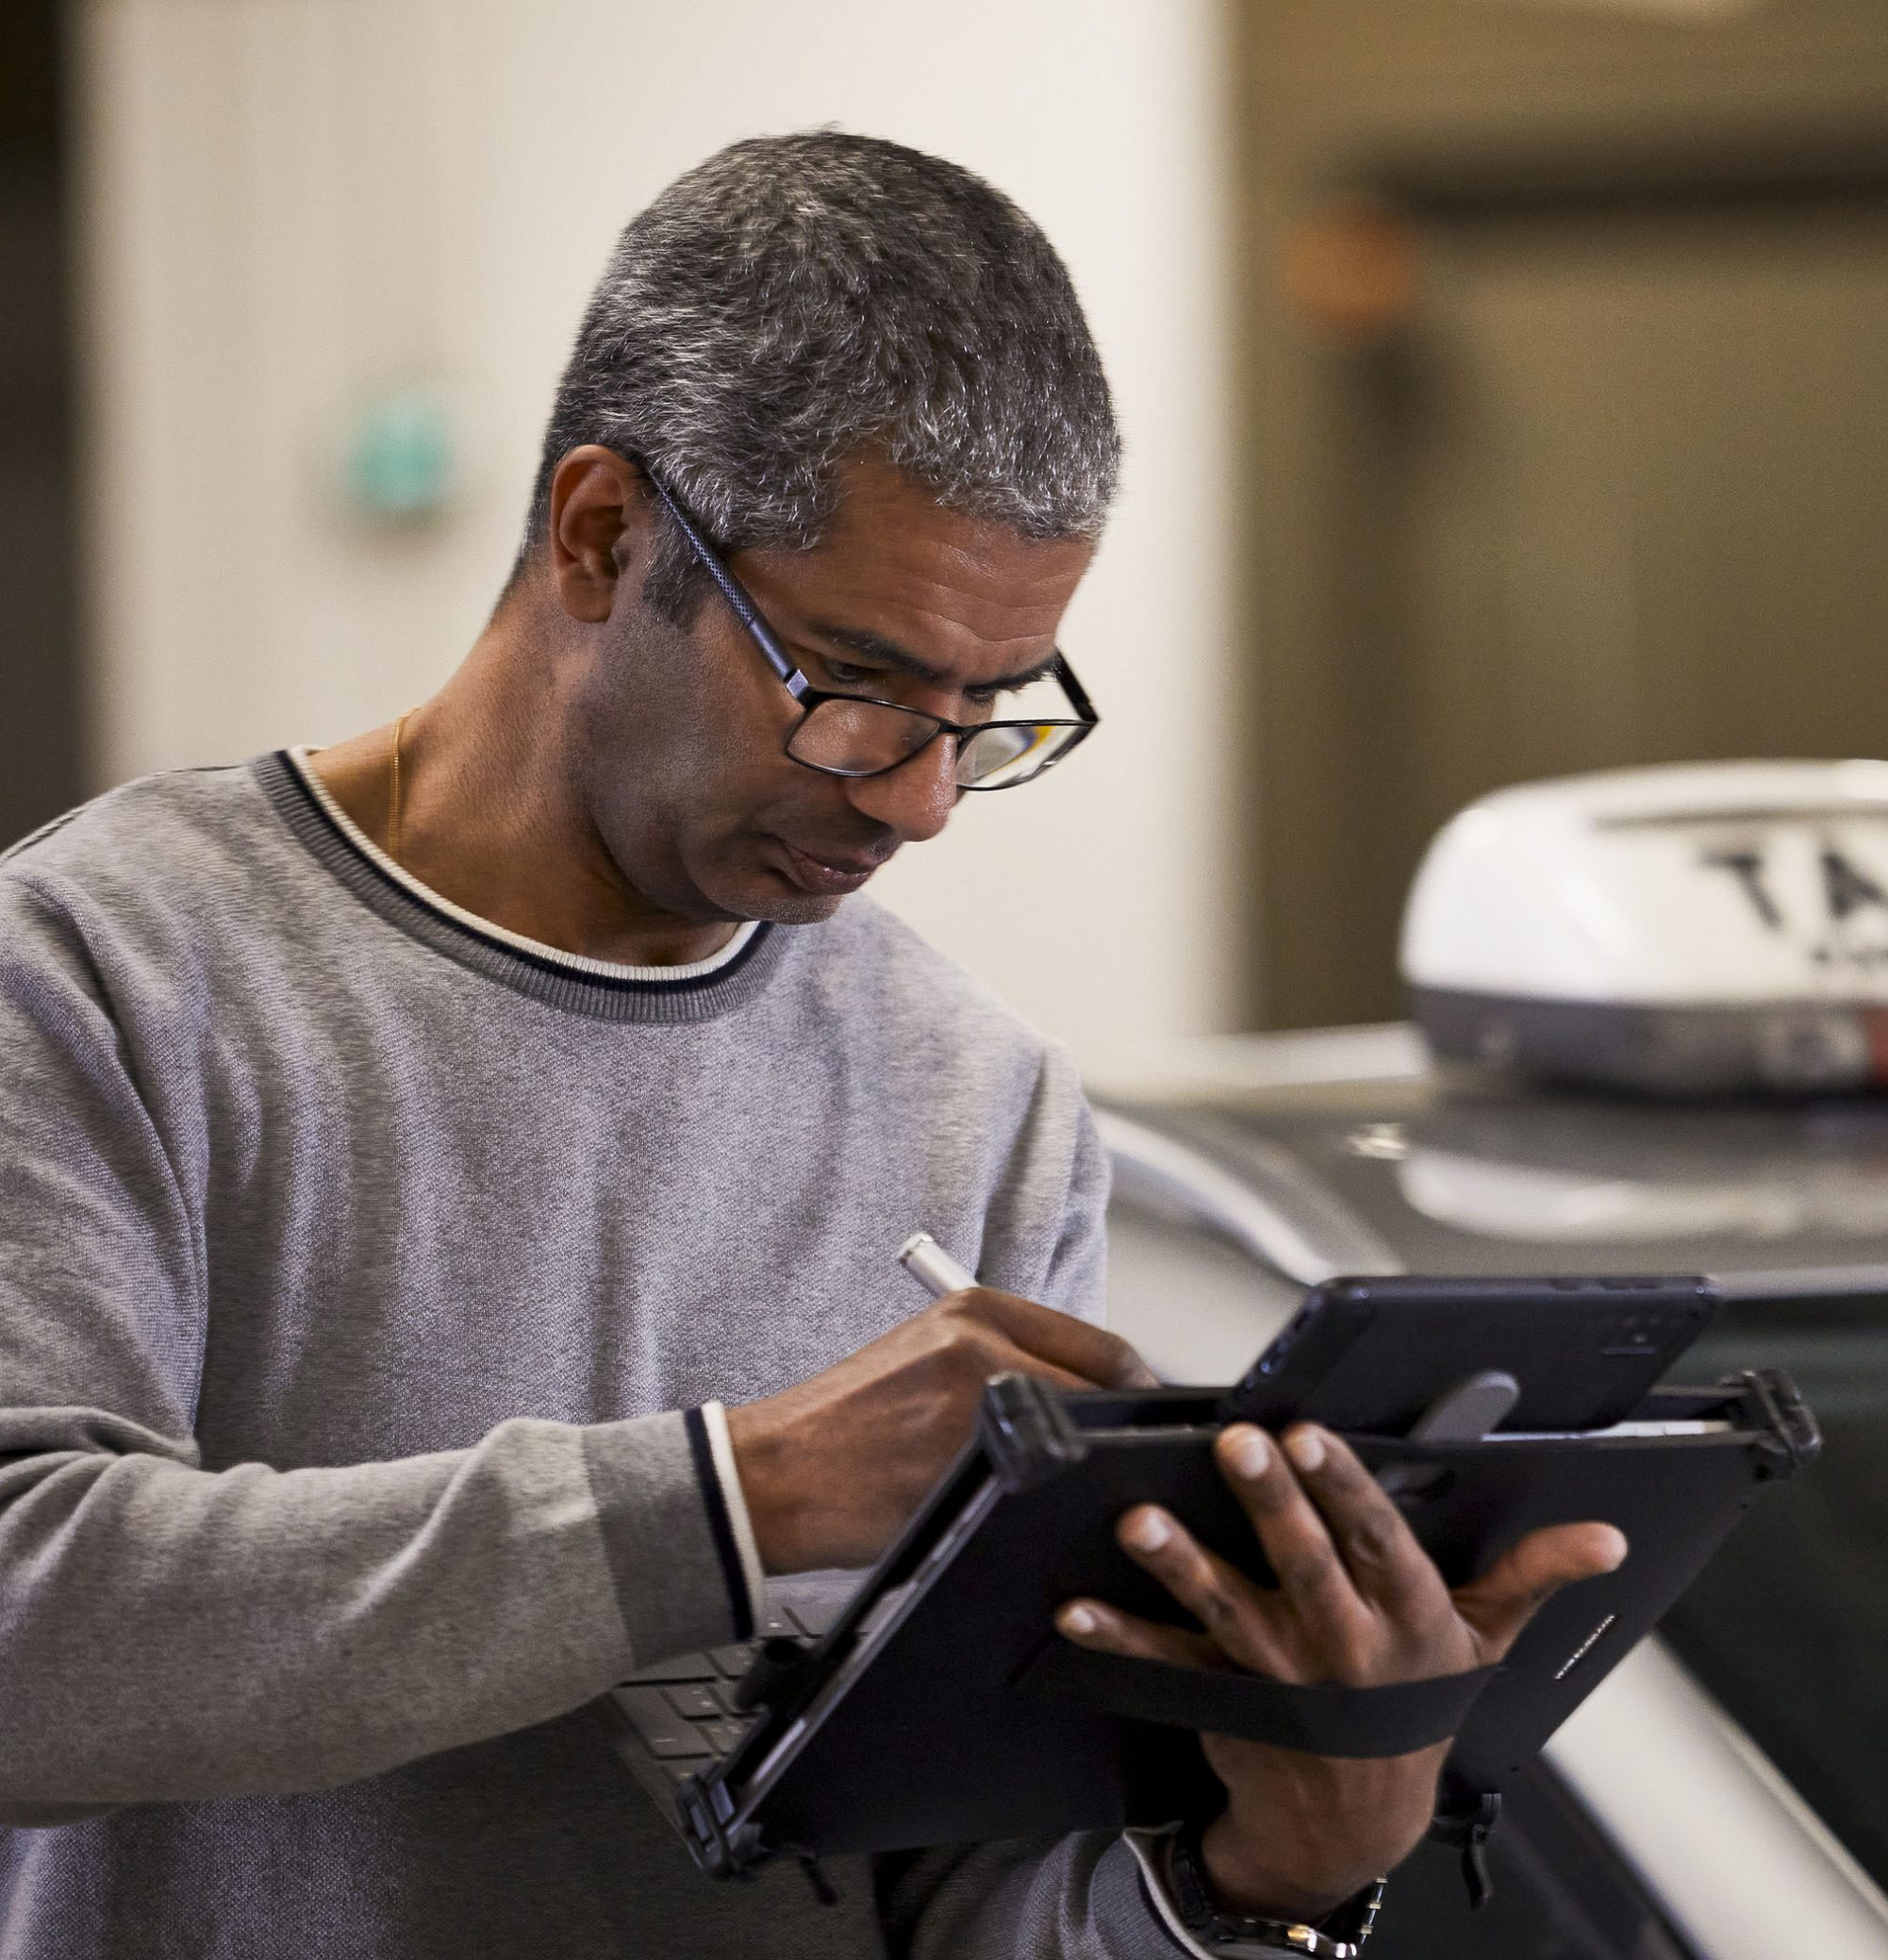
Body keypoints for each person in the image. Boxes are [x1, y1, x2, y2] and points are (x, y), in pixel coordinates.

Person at [0, 132, 1622, 1958]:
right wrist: (736, 1493)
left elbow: (959, 1901)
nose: (922, 800)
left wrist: (1262, 1869)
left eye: (988, 710)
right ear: (603, 533)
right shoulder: (107, 970)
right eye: (855, 686)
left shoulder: (980, 1105)